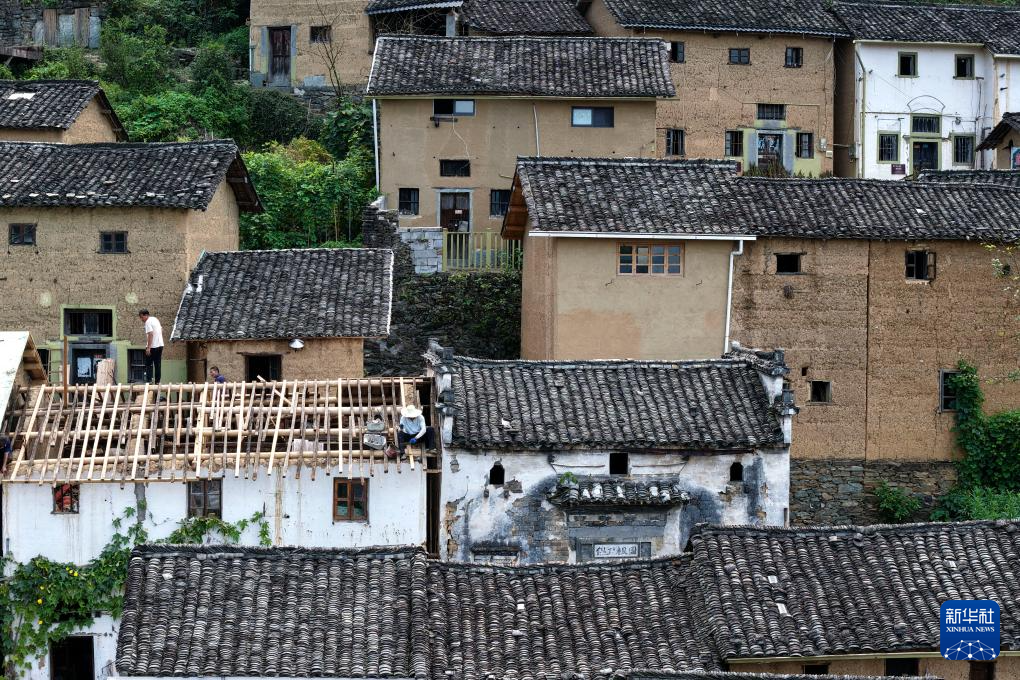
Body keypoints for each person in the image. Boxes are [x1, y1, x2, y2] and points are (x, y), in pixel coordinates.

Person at [138, 309, 164, 384]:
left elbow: (150, 334)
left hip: (153, 346)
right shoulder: (155, 319)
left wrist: (149, 347)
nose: (141, 319)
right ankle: (157, 382)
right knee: (157, 364)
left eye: (142, 317)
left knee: (148, 364)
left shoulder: (148, 322)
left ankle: (149, 381)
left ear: (146, 315)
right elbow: (161, 329)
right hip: (160, 345)